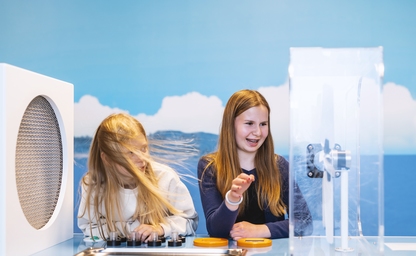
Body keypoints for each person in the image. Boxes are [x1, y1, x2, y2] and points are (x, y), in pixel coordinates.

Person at [198, 89, 312, 240]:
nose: (257, 132)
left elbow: (304, 222)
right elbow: (216, 230)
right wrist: (232, 198)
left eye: (263, 124)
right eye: (249, 123)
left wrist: (261, 230)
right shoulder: (209, 166)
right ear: (230, 125)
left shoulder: (279, 166)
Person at [78, 113, 198, 242]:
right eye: (131, 153)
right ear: (107, 159)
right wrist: (135, 228)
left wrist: (160, 229)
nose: (141, 159)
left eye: (143, 148)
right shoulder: (93, 185)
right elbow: (89, 228)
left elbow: (190, 221)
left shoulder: (165, 177)